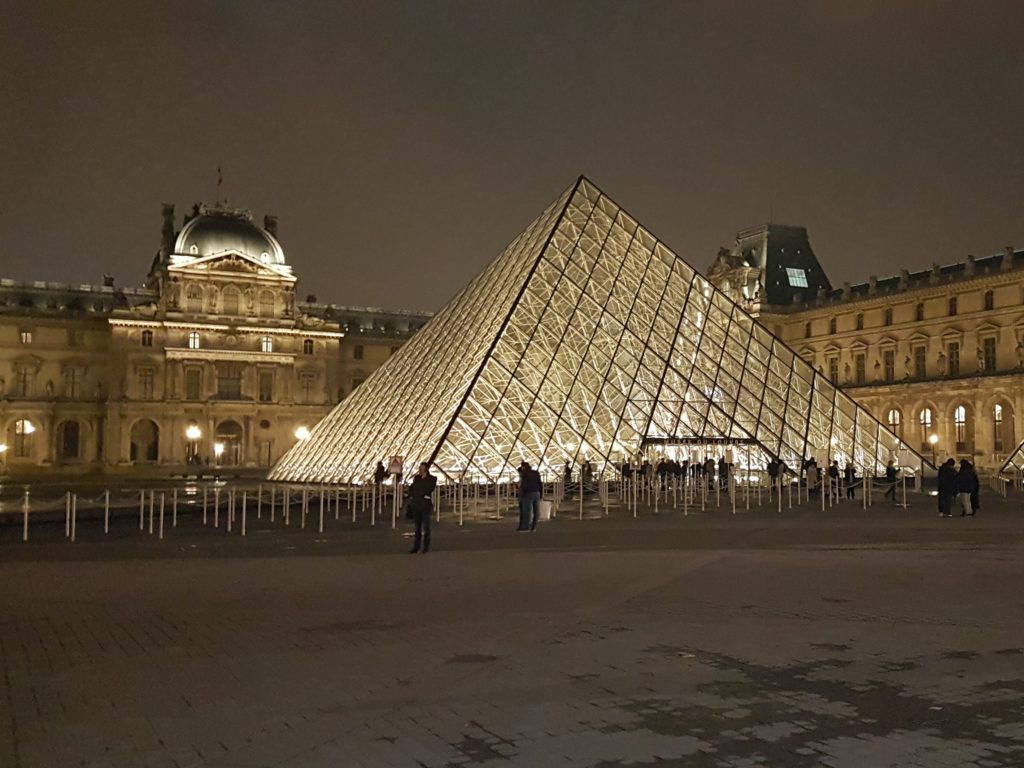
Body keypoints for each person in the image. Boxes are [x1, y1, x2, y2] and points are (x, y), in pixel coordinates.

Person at [407, 462, 437, 553]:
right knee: (417, 528)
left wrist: (418, 492)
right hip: (416, 505)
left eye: (421, 468)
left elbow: (428, 489)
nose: (420, 470)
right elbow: (412, 489)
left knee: (426, 527)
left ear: (426, 469)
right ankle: (416, 546)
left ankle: (425, 547)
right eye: (419, 468)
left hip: (425, 506)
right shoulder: (416, 478)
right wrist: (417, 494)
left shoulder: (432, 479)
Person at [517, 461, 543, 531]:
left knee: (527, 511)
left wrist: (523, 493)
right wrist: (541, 494)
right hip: (537, 492)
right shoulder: (536, 473)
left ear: (523, 467)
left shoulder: (525, 474)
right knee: (536, 511)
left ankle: (526, 527)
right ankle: (534, 527)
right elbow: (540, 483)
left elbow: (524, 485)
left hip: (528, 493)